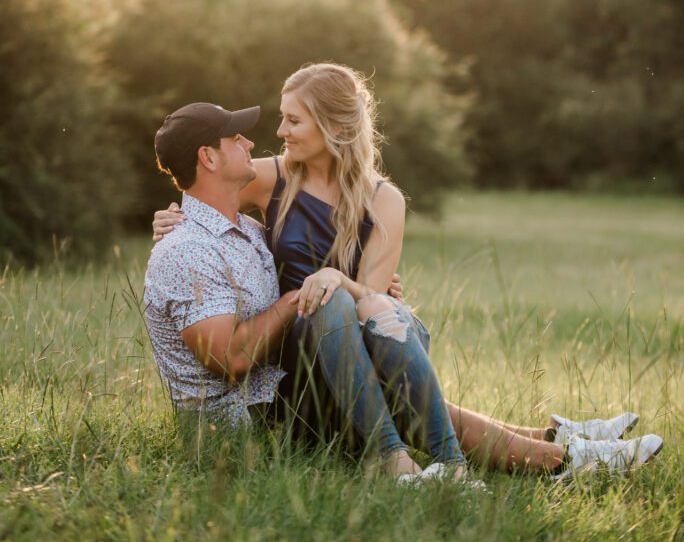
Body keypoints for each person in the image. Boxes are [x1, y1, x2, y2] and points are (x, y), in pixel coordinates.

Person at [151, 66, 664, 478]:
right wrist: (171, 217)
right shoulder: (271, 175)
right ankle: (564, 449)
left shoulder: (382, 200)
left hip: (361, 335)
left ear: (334, 126)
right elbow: (205, 193)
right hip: (296, 349)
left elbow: (374, 305)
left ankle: (558, 448)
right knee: (411, 399)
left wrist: (342, 281)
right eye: (281, 119)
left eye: (293, 120)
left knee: (383, 351)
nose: (276, 133)